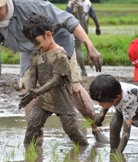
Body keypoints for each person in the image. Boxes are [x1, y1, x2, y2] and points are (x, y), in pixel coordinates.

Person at [0, 0, 106, 142]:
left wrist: (90, 47)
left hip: (58, 41)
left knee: (73, 87)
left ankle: (95, 128)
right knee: (28, 91)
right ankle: (37, 139)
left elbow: (69, 21)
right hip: (29, 50)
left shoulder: (30, 5)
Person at [19, 14, 88, 146]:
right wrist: (29, 92)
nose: (36, 46)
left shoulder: (61, 55)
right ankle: (28, 155)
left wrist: (36, 92)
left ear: (48, 34)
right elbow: (33, 76)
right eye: (33, 44)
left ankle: (86, 151)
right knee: (32, 128)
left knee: (71, 131)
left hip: (63, 100)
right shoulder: (35, 55)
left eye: (37, 42)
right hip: (44, 99)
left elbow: (56, 80)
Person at [89, 74, 138, 154]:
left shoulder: (128, 100)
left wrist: (119, 155)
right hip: (121, 109)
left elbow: (126, 134)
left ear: (117, 97)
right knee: (113, 125)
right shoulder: (111, 89)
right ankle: (113, 150)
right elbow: (107, 102)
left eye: (101, 103)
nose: (99, 104)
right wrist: (101, 116)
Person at [66, 0, 101, 76]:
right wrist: (98, 27)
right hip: (84, 28)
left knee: (78, 48)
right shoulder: (87, 3)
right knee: (88, 46)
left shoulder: (71, 3)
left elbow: (65, 16)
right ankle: (95, 67)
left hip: (74, 28)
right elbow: (94, 16)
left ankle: (83, 70)